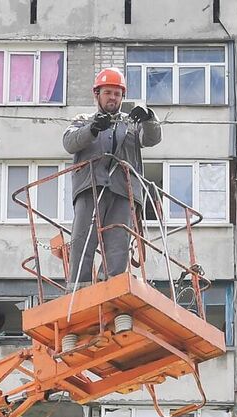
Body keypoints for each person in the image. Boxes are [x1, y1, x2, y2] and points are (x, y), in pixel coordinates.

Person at [61, 67, 160, 287]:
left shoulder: (131, 123)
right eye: (108, 92)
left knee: (118, 241)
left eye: (117, 93)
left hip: (123, 190)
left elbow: (152, 138)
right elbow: (69, 142)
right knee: (83, 238)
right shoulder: (84, 120)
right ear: (97, 94)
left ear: (122, 96)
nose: (113, 97)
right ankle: (79, 286)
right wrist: (93, 129)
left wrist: (148, 118)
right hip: (91, 186)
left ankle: (112, 285)